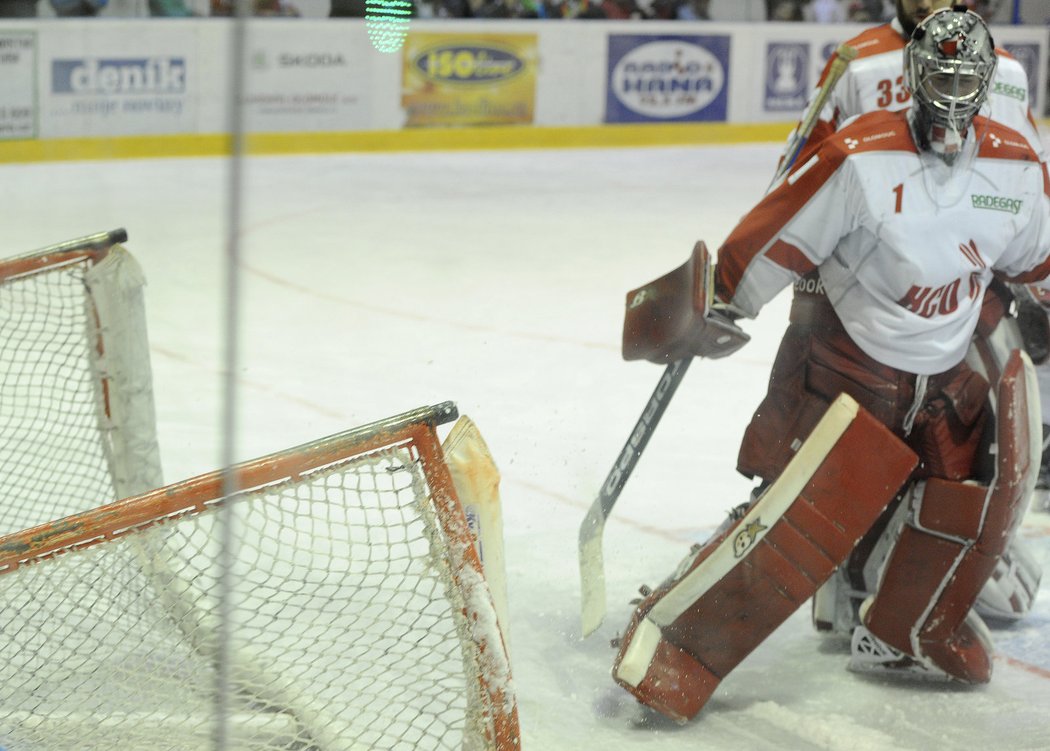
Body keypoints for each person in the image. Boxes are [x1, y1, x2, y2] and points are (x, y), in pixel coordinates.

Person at [611, 8, 1050, 723]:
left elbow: (1035, 258)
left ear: (987, 84)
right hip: (856, 362)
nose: (949, 98)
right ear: (912, 76)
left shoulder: (1016, 167)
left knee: (971, 492)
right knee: (804, 519)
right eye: (937, 78)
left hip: (945, 368)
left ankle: (906, 628)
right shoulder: (859, 155)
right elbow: (778, 226)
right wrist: (723, 296)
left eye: (964, 81)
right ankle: (676, 646)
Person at [777, 0, 1044, 635]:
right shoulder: (858, 60)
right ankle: (847, 563)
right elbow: (803, 172)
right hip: (872, 281)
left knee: (962, 430)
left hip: (972, 280)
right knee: (857, 436)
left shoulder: (1003, 70)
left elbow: (1031, 175)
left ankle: (918, 556)